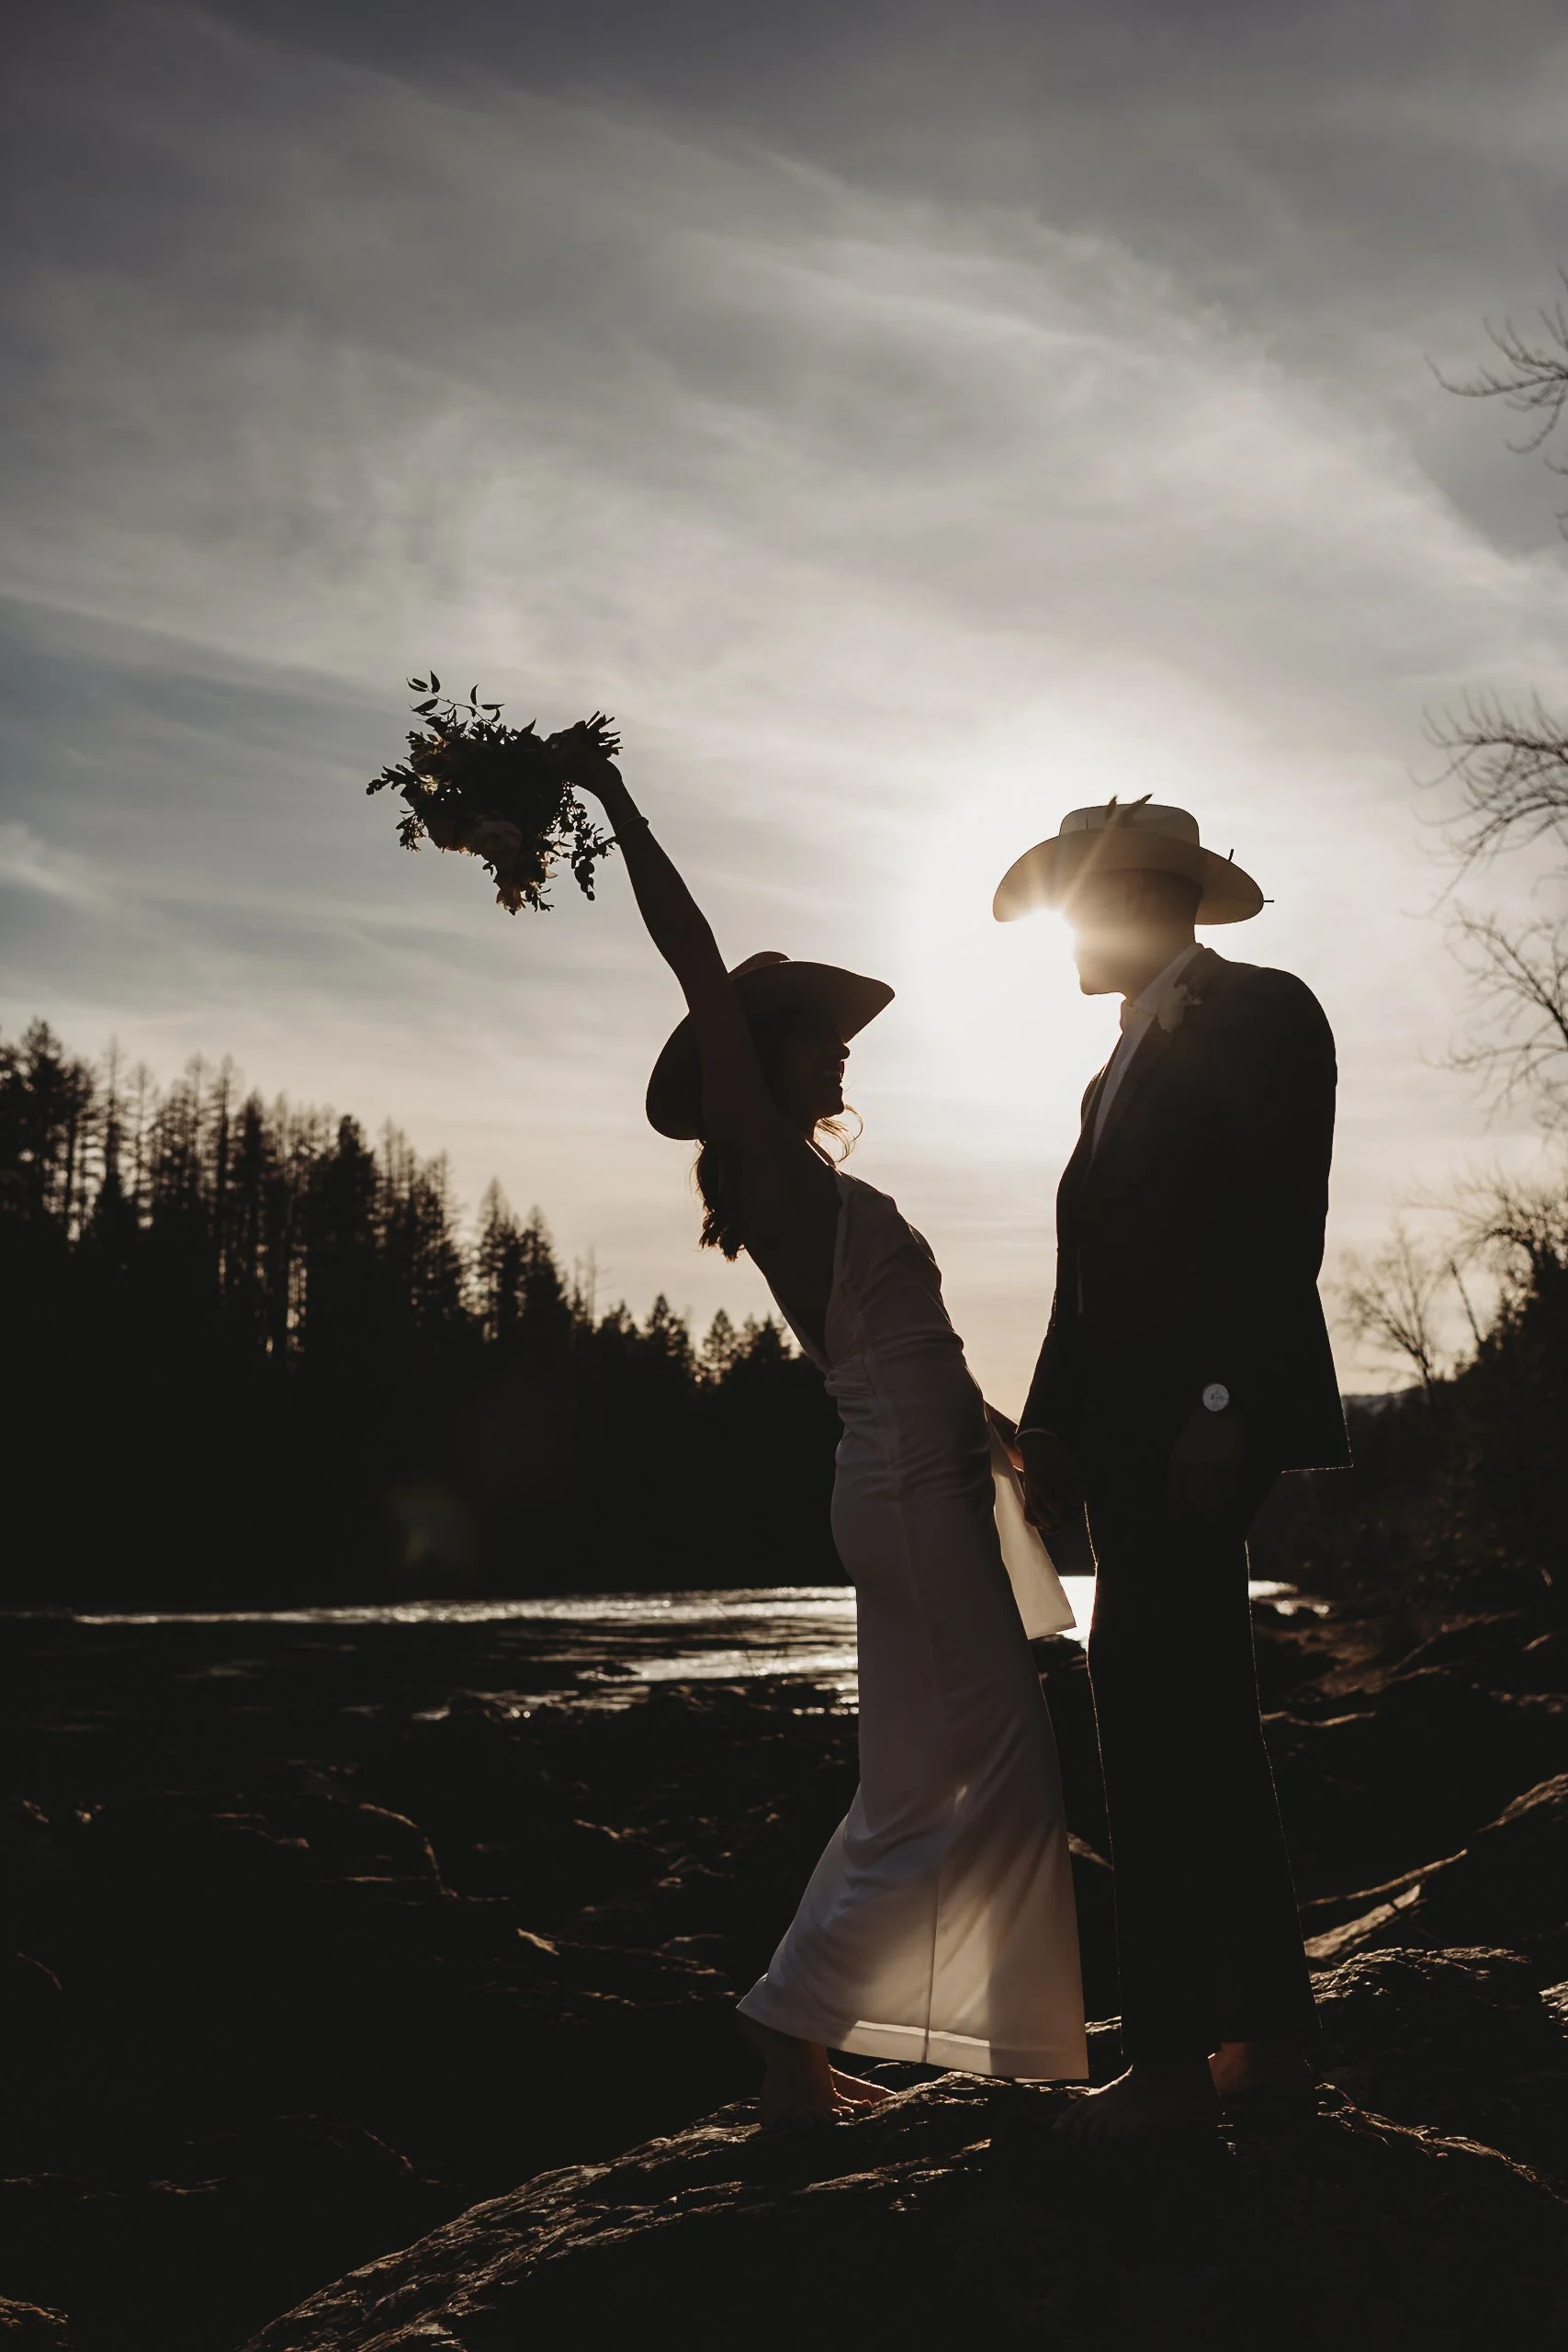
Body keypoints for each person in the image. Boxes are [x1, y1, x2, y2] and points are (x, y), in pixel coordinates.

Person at [553, 726, 1086, 2124]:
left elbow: (895, 1335)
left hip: (920, 1468)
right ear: (763, 1057)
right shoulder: (772, 1174)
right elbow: (693, 962)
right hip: (905, 1484)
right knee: (1008, 1762)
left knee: (915, 1776)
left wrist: (995, 1425)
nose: (846, 1058)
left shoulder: (814, 1194)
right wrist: (609, 796)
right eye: (824, 1041)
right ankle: (945, 2045)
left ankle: (791, 2036)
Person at [993, 796, 1349, 2142]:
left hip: (1204, 1430)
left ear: (1140, 899)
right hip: (1130, 1434)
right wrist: (1048, 1433)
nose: (1064, 940)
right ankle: (1256, 2034)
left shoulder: (1262, 1011)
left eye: (1074, 907)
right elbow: (1085, 1286)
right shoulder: (1111, 1070)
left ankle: (1164, 2065)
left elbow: (1275, 1225)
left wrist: (1217, 1404)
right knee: (1180, 1708)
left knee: (1155, 1715)